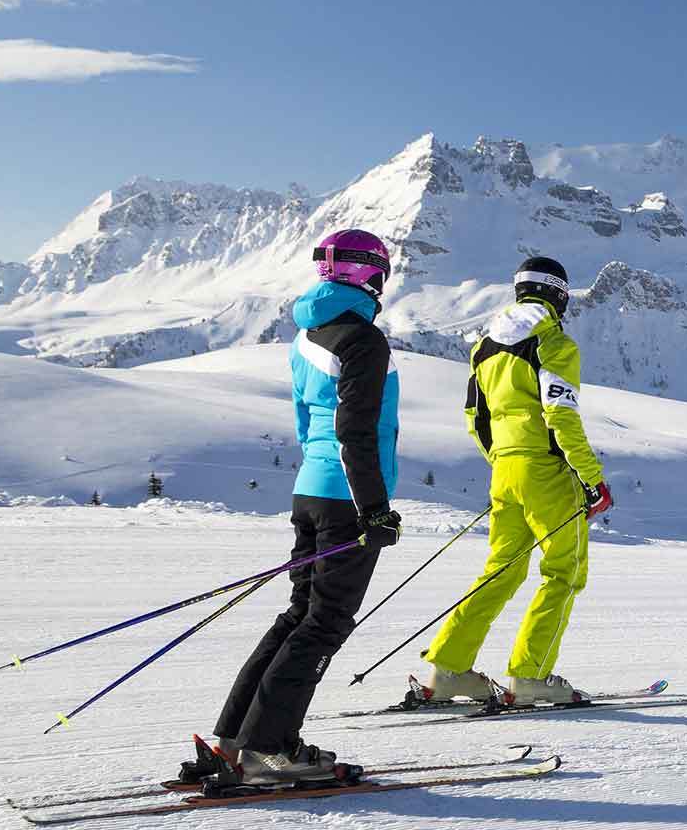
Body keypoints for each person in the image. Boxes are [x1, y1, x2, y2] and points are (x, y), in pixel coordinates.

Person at [194, 229, 402, 787]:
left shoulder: (308, 334)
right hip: (345, 496)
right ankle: (269, 750)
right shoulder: (362, 340)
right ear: (371, 274)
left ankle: (237, 738)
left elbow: (308, 423)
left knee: (299, 615)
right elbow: (354, 429)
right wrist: (375, 509)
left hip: (311, 490)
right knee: (324, 622)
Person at [418, 256, 612, 706]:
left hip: (504, 470)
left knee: (501, 570)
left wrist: (505, 458)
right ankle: (530, 676)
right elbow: (560, 416)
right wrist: (592, 478)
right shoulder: (552, 342)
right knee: (565, 571)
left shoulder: (484, 348)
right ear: (559, 296)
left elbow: (475, 417)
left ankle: (448, 669)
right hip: (546, 470)